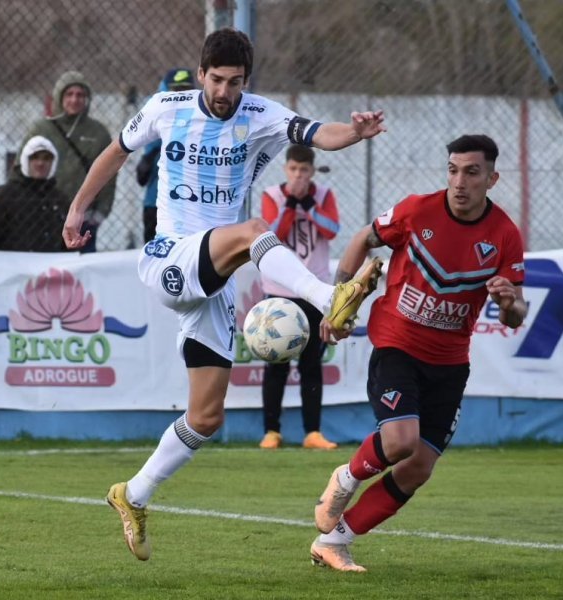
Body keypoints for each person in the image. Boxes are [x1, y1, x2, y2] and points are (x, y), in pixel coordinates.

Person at [62, 27, 386, 562]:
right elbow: (115, 153)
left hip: (215, 279)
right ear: (202, 72)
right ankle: (330, 299)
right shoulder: (166, 108)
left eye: (235, 82)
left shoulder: (258, 113)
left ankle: (133, 494)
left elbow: (315, 133)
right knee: (250, 229)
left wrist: (353, 133)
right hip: (170, 257)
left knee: (207, 418)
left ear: (245, 80)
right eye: (217, 80)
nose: (225, 91)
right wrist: (77, 211)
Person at [310, 134, 528, 572]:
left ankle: (333, 542)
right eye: (453, 169)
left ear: (492, 178)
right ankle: (346, 478)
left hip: (450, 363)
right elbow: (361, 240)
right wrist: (338, 301)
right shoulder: (416, 210)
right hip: (397, 344)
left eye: (471, 172)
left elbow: (517, 315)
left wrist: (508, 302)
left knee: (418, 468)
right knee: (401, 442)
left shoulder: (504, 235)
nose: (459, 181)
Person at [258, 144, 339, 451]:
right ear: (286, 169)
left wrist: (309, 205)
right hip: (280, 290)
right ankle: (271, 431)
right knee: (275, 361)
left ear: (312, 171)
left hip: (314, 290)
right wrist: (291, 203)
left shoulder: (324, 195)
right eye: (293, 169)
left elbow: (332, 230)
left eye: (304, 170)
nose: (298, 175)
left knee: (311, 363)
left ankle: (312, 432)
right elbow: (273, 235)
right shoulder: (272, 195)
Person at [19, 71, 114, 252]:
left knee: (80, 275)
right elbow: (20, 166)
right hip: (43, 215)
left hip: (83, 218)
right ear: (59, 97)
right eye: (69, 94)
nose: (74, 100)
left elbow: (109, 175)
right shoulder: (42, 129)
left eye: (80, 95)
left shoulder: (98, 133)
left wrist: (100, 212)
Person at [0, 136, 71, 252]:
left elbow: (69, 243)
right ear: (25, 160)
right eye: (34, 158)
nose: (40, 163)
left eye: (46, 158)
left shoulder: (60, 200)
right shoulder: (4, 196)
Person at [136, 68, 196, 244]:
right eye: (175, 91)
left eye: (186, 90)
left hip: (189, 205)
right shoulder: (156, 117)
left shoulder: (200, 120)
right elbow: (142, 174)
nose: (181, 96)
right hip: (157, 203)